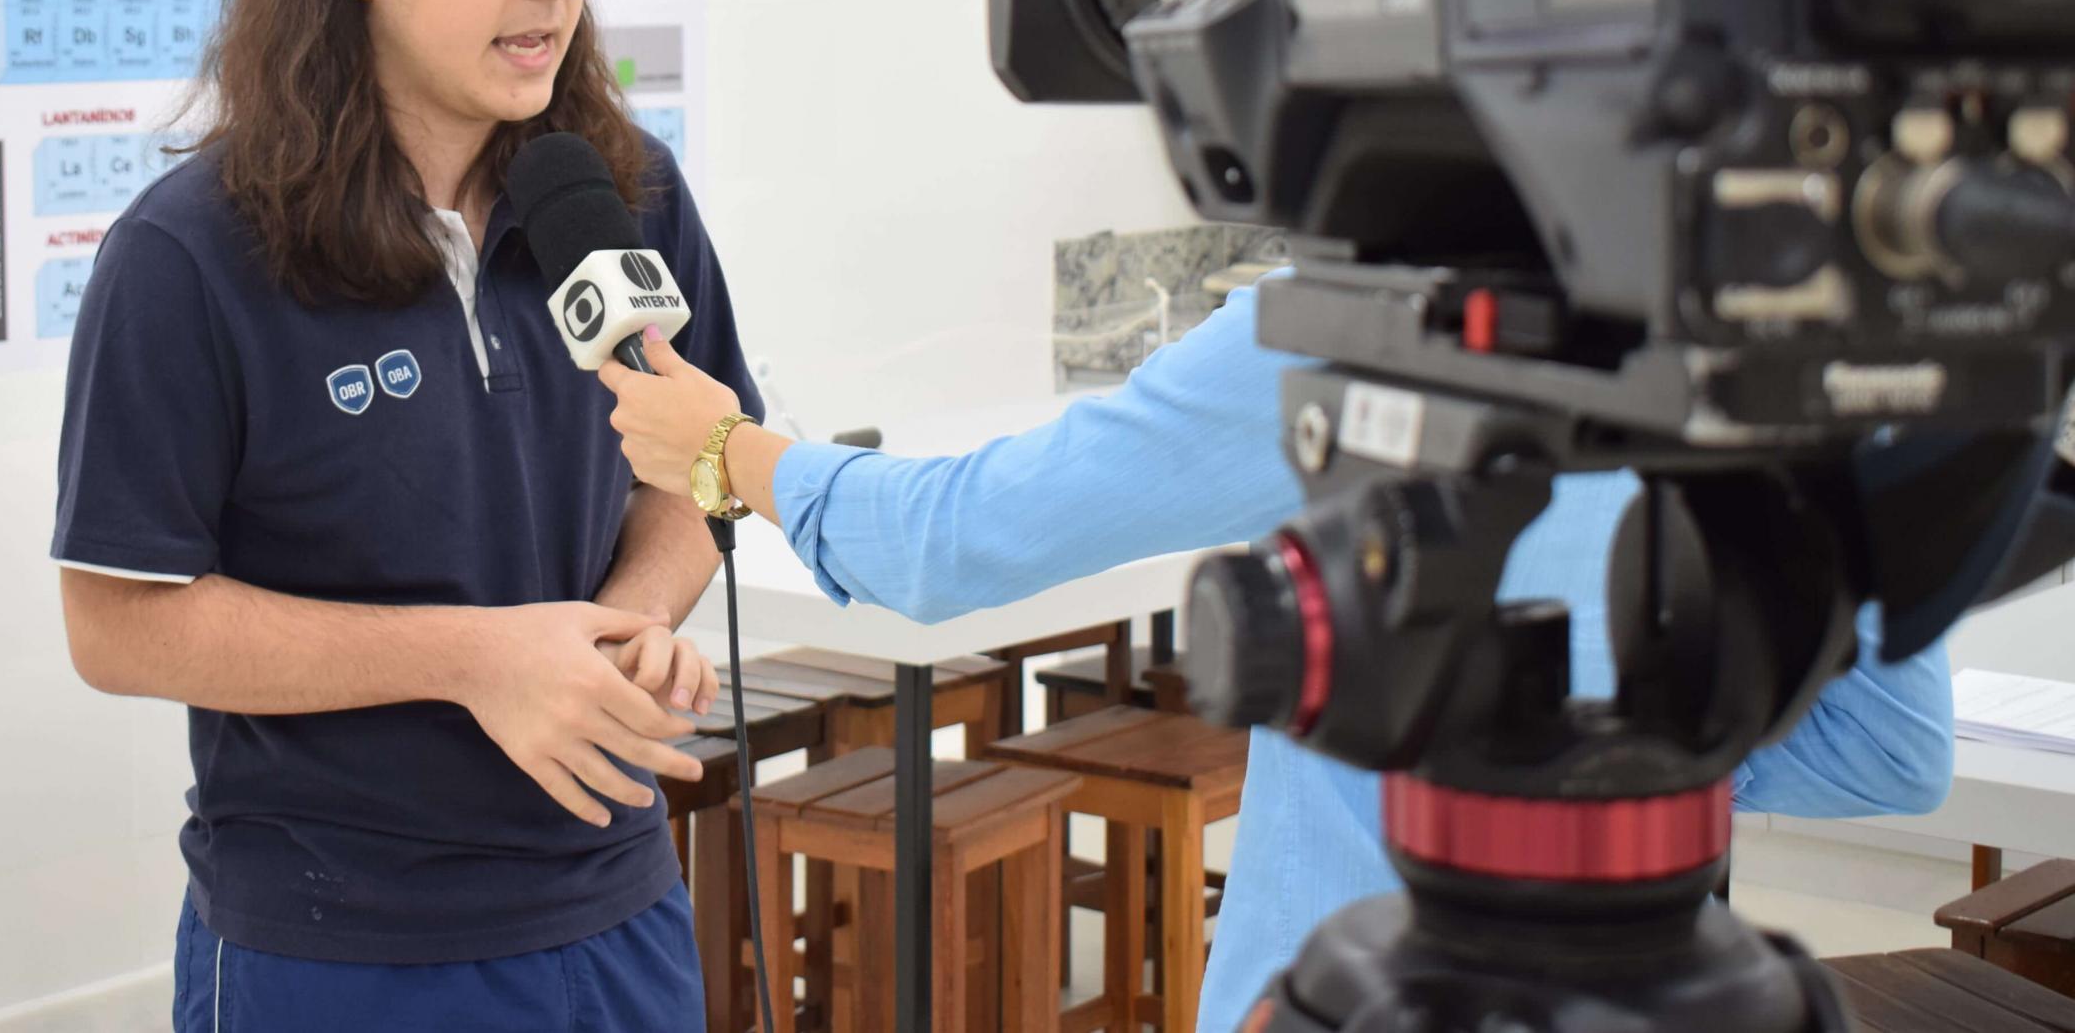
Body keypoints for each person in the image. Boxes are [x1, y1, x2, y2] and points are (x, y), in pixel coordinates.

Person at [597, 285, 1956, 1031]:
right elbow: (1891, 754)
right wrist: (1615, 759)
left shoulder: (1356, 324)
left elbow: (952, 541)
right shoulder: (1802, 326)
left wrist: (726, 452)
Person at [50, 0, 761, 1032]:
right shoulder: (190, 253)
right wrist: (474, 659)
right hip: (340, 947)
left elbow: (699, 468)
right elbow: (117, 623)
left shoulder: (625, 194)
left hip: (619, 911)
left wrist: (629, 625)